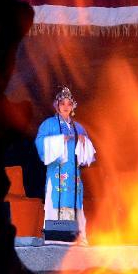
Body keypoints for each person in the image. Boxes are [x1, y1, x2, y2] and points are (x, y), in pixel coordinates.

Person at [35, 86, 96, 244]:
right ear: (57, 105)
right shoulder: (48, 124)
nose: (66, 107)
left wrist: (84, 142)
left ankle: (76, 237)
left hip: (73, 175)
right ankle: (56, 238)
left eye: (69, 104)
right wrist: (58, 141)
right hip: (57, 173)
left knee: (75, 202)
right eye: (63, 103)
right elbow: (40, 143)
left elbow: (87, 154)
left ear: (73, 106)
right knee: (56, 200)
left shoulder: (78, 127)